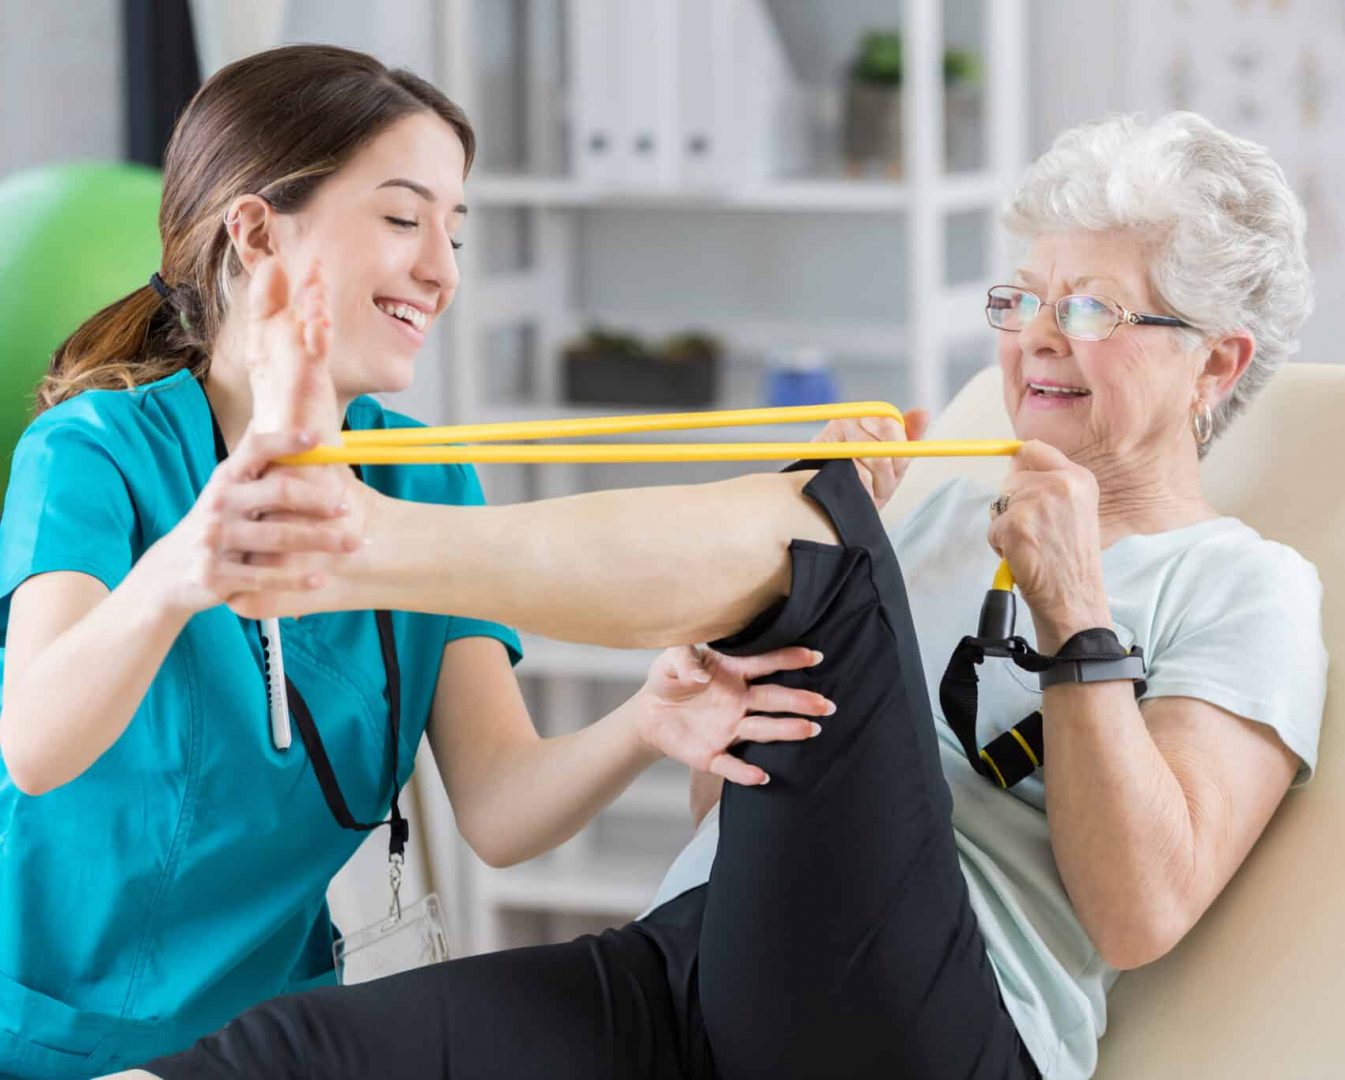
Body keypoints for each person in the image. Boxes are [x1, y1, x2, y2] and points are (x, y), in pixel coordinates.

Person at [125, 111, 1328, 1080]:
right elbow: (733, 797)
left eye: (1088, 310)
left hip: (934, 1030)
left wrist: (1075, 618)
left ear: (1212, 361)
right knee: (284, 1057)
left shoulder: (1245, 587)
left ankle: (345, 543)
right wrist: (718, 680)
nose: (1034, 342)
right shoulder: (938, 508)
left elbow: (1139, 916)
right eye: (1017, 302)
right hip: (700, 965)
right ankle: (346, 538)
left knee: (820, 544)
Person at [0, 45, 830, 1079]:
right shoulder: (94, 454)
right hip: (55, 1042)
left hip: (278, 1044)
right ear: (255, 231)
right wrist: (182, 570)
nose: (440, 269)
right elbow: (34, 744)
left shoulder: (427, 484)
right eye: (402, 219)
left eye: (455, 230)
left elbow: (499, 808)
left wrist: (646, 726)